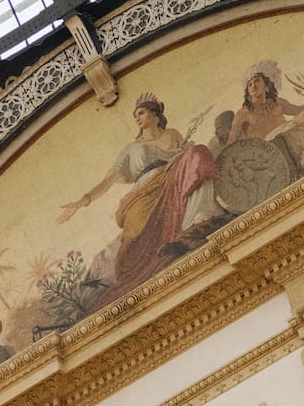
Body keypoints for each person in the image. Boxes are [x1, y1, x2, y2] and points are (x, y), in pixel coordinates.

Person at [59, 92, 220, 291]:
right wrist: (83, 201)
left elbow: (188, 158)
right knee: (132, 243)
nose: (137, 118)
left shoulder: (172, 135)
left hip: (174, 177)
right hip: (145, 192)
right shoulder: (132, 149)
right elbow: (109, 180)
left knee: (199, 152)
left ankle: (199, 216)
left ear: (155, 114)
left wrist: (183, 153)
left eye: (141, 112)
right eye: (135, 115)